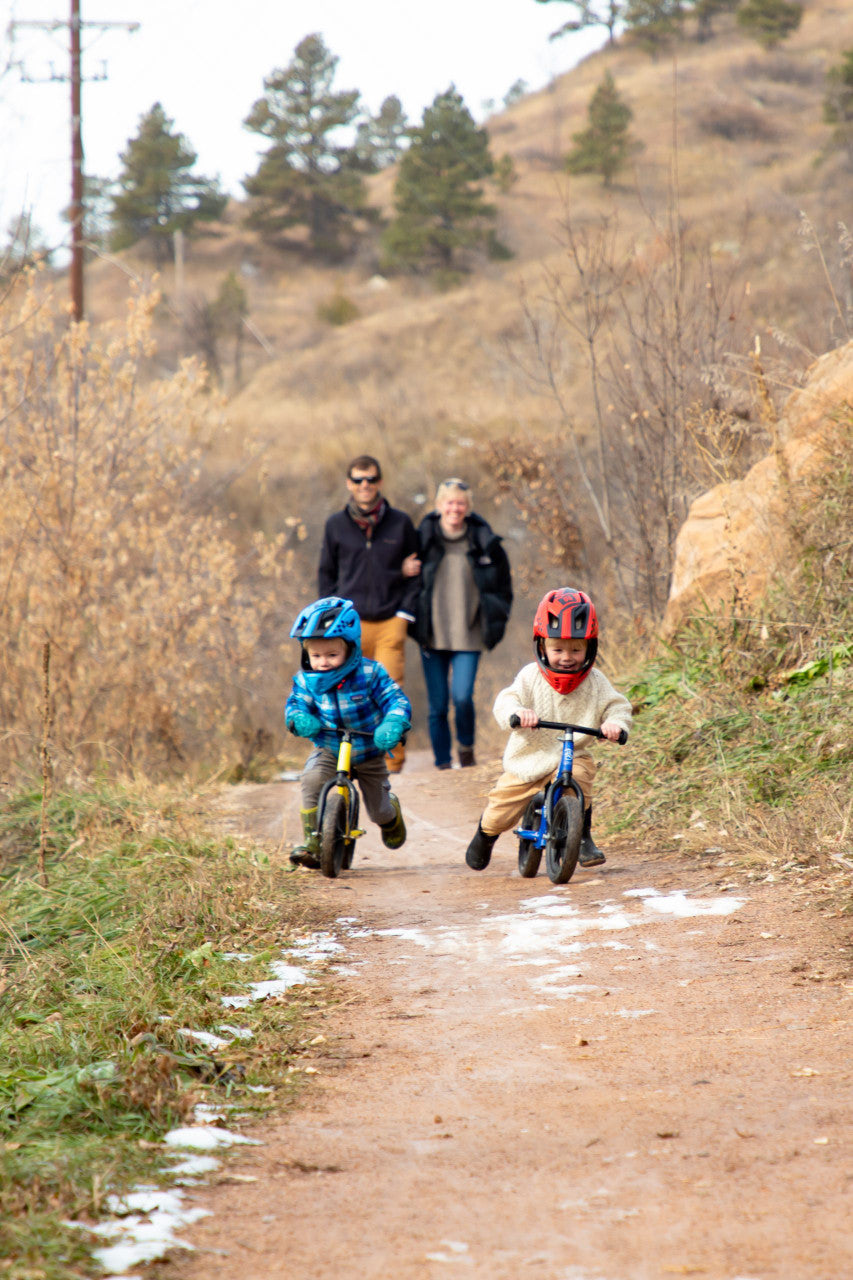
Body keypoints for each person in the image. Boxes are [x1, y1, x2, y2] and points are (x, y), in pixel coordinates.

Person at [464, 586, 631, 873]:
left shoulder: (596, 681)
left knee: (580, 777)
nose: (567, 657)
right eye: (558, 649)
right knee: (502, 810)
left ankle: (583, 837)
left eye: (576, 649)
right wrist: (517, 713)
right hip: (530, 757)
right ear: (542, 647)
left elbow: (618, 706)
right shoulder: (530, 677)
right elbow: (507, 700)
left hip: (570, 755)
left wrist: (614, 724)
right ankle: (485, 835)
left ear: (590, 647)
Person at [284, 596, 410, 868]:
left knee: (378, 811)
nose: (323, 662)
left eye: (332, 655)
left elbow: (395, 700)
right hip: (328, 745)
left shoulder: (370, 672)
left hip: (368, 749)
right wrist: (298, 717)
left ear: (351, 649)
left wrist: (392, 723)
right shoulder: (306, 679)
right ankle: (314, 841)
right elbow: (296, 703)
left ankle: (391, 815)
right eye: (315, 656)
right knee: (312, 779)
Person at [318, 455, 420, 773]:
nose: (365, 485)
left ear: (380, 482)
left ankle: (394, 765)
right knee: (350, 691)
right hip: (350, 625)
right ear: (349, 484)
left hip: (391, 619)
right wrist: (331, 620)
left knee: (391, 691)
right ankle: (349, 759)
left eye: (371, 479)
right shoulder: (335, 525)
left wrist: (405, 614)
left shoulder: (401, 523)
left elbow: (417, 572)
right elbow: (326, 575)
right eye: (359, 480)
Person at [411, 478, 512, 770]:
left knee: (463, 697)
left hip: (470, 634)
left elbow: (503, 587)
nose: (454, 508)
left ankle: (466, 749)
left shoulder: (485, 543)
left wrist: (495, 617)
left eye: (460, 503)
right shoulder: (422, 541)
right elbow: (402, 578)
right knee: (438, 706)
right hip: (432, 634)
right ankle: (443, 763)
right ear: (438, 506)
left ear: (468, 508)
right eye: (449, 503)